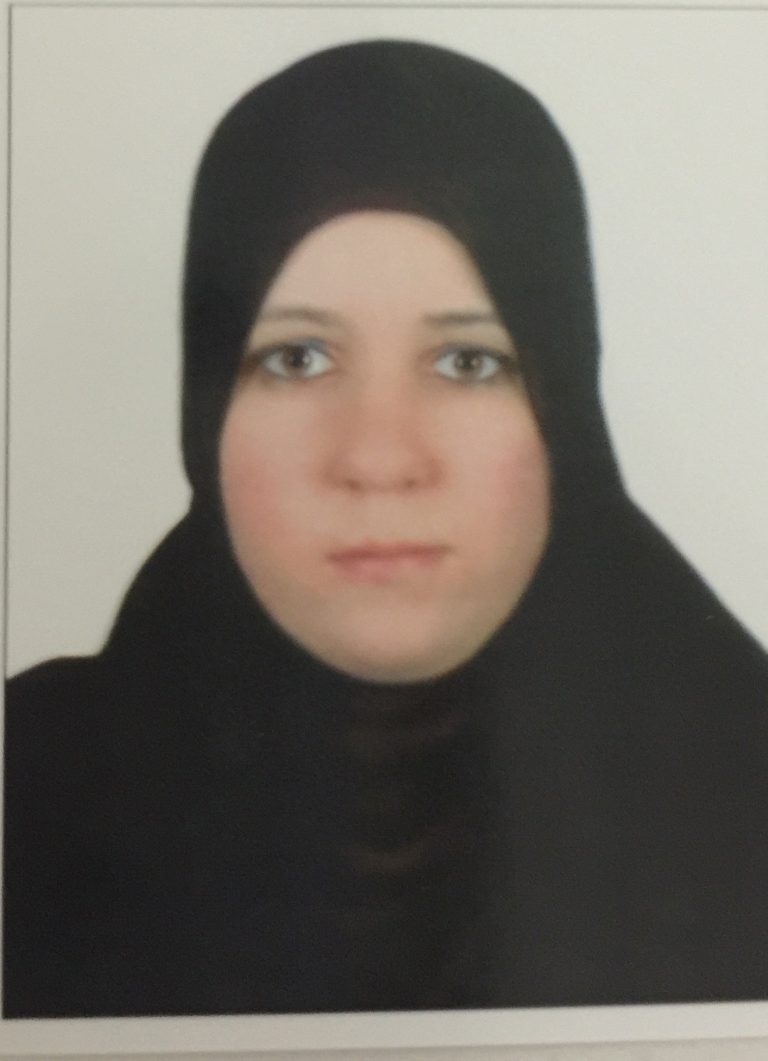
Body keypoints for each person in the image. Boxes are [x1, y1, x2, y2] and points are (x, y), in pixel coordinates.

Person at [4, 39, 768, 1019]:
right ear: (205, 408)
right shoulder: (30, 787)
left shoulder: (741, 782)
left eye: (467, 363)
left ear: (564, 410)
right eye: (297, 358)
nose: (377, 456)